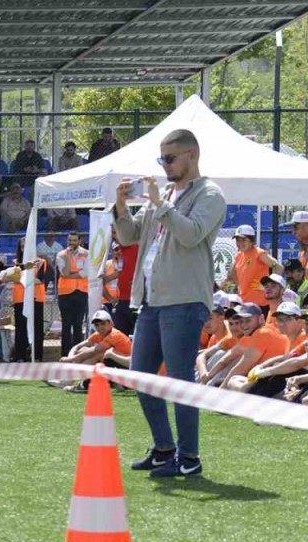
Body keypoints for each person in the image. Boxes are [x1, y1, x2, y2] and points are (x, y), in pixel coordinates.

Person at [113, 128, 226, 478]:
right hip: (151, 300)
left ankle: (189, 458)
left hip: (185, 300)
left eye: (170, 158)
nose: (164, 165)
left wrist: (160, 205)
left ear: (192, 154)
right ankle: (164, 449)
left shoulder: (210, 194)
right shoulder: (163, 193)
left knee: (179, 382)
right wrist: (121, 204)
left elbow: (191, 235)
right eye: (161, 158)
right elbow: (130, 236)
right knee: (141, 377)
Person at [209, 303, 289, 392]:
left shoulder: (261, 333)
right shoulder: (266, 330)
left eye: (248, 320)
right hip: (271, 379)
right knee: (222, 382)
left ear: (261, 319)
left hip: (272, 382)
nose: (243, 325)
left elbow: (240, 368)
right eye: (242, 321)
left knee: (232, 380)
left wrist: (219, 393)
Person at [53, 309, 132, 392]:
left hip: (130, 369)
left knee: (99, 354)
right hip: (118, 368)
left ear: (111, 323)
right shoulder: (100, 334)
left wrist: (71, 359)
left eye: (103, 323)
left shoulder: (114, 334)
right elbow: (77, 347)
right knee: (84, 350)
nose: (100, 327)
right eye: (97, 325)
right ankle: (70, 380)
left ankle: (80, 383)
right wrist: (71, 357)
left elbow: (94, 350)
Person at [239, 302, 308, 397]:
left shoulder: (303, 337)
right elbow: (286, 357)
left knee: (248, 388)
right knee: (241, 383)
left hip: (299, 381)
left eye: (288, 319)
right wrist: (261, 367)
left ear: (299, 321)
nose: (282, 323)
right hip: (293, 379)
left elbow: (296, 363)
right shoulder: (290, 338)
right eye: (279, 320)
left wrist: (266, 371)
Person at [225, 224, 281, 312]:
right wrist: (239, 286)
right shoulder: (239, 256)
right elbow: (231, 274)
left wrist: (269, 285)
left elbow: (278, 267)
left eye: (243, 240)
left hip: (260, 304)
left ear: (251, 241)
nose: (240, 243)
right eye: (237, 240)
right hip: (244, 302)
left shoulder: (259, 253)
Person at [55, 232, 90, 357]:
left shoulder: (86, 254)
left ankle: (77, 355)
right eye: (70, 240)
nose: (71, 243)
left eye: (74, 240)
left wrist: (71, 275)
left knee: (78, 324)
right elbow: (64, 272)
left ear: (79, 241)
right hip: (65, 293)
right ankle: (65, 355)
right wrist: (69, 257)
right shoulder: (61, 254)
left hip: (81, 292)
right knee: (66, 324)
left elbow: (85, 273)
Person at [6, 258, 45, 362]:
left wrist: (22, 280)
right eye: (22, 246)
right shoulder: (15, 262)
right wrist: (30, 281)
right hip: (20, 299)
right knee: (20, 328)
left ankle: (37, 356)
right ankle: (20, 356)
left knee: (37, 328)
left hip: (36, 298)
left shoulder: (41, 262)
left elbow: (40, 280)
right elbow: (13, 278)